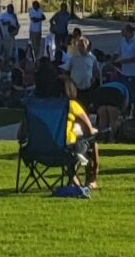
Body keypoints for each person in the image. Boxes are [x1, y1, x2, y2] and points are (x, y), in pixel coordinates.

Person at [24, 59, 98, 190]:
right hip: (64, 152)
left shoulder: (33, 106)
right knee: (90, 140)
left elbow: (21, 135)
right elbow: (89, 131)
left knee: (70, 141)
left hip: (36, 152)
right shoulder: (70, 105)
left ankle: (73, 177)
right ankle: (91, 179)